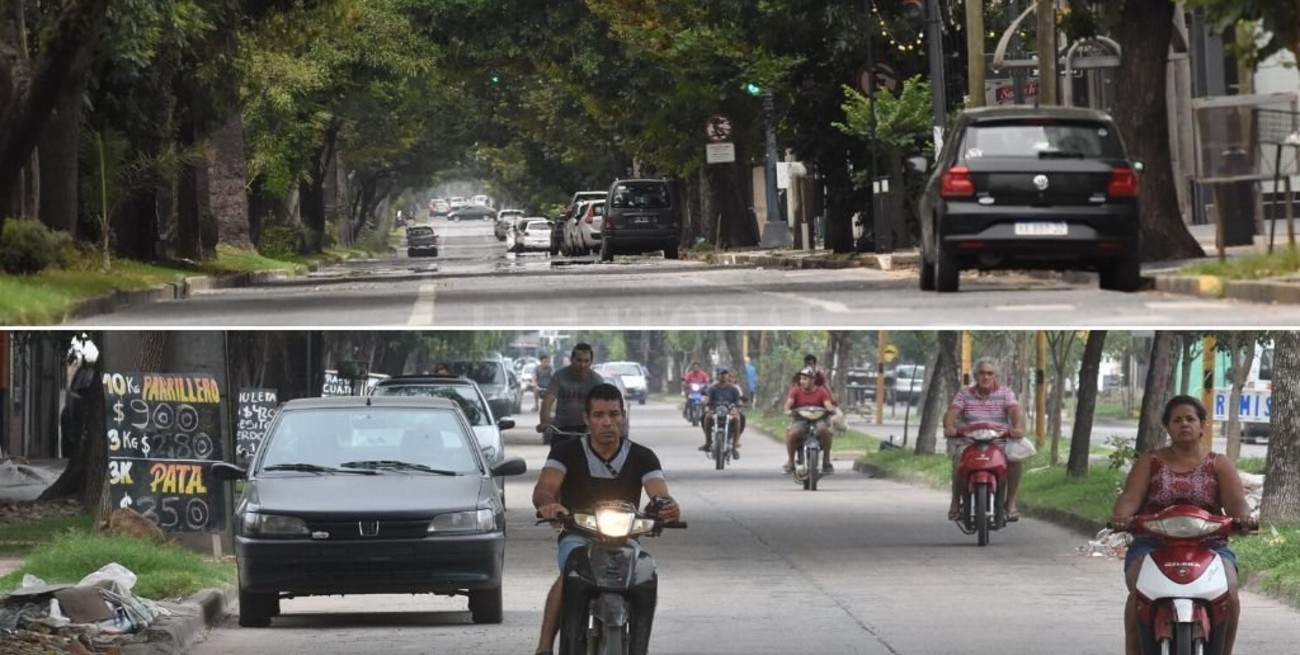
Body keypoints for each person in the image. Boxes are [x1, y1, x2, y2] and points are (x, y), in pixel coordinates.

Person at [532, 383, 682, 655]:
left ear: (623, 416)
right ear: (586, 419)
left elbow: (659, 493)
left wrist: (667, 507)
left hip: (627, 538)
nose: (607, 422)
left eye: (614, 414)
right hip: (578, 535)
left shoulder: (643, 456)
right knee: (569, 576)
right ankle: (544, 647)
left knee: (645, 575)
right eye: (599, 415)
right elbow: (545, 488)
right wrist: (548, 504)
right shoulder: (565, 452)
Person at [1111, 395, 1254, 655]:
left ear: (1202, 425)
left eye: (1190, 419)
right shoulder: (1150, 461)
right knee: (1137, 598)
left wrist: (1244, 518)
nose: (1184, 424)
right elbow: (1130, 498)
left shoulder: (1219, 463)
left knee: (1230, 594)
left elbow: (1236, 503)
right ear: (1167, 427)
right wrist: (1121, 516)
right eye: (1177, 420)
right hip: (1152, 545)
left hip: (1210, 546)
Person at [942, 358, 1025, 522]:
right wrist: (950, 427)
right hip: (970, 439)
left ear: (996, 376)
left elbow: (1014, 411)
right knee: (958, 460)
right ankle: (955, 503)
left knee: (1015, 459)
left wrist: (1017, 428)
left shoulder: (1005, 393)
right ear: (975, 375)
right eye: (982, 373)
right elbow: (952, 412)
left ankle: (1011, 502)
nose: (985, 377)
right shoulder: (964, 393)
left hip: (998, 438)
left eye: (989, 373)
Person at [537, 344, 604, 443]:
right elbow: (547, 401)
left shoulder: (596, 381)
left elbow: (601, 407)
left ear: (591, 362)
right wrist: (544, 422)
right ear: (571, 359)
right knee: (556, 457)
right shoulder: (559, 377)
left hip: (586, 429)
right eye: (579, 360)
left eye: (586, 361)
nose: (582, 365)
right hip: (561, 429)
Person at [783, 367, 836, 474]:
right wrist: (788, 410)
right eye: (801, 379)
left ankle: (826, 461)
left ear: (813, 380)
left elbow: (827, 403)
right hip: (800, 420)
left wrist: (830, 409)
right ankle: (791, 462)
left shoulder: (822, 391)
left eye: (805, 379)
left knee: (824, 430)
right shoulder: (795, 391)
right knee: (793, 433)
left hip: (818, 420)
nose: (802, 381)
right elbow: (788, 404)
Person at [699, 368, 746, 458]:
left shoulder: (733, 389)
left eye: (725, 374)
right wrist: (705, 401)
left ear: (728, 376)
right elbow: (707, 398)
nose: (723, 376)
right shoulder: (712, 388)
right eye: (721, 374)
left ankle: (734, 448)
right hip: (715, 410)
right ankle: (708, 443)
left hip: (729, 411)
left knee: (737, 418)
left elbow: (738, 400)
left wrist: (738, 406)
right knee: (707, 417)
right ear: (717, 376)